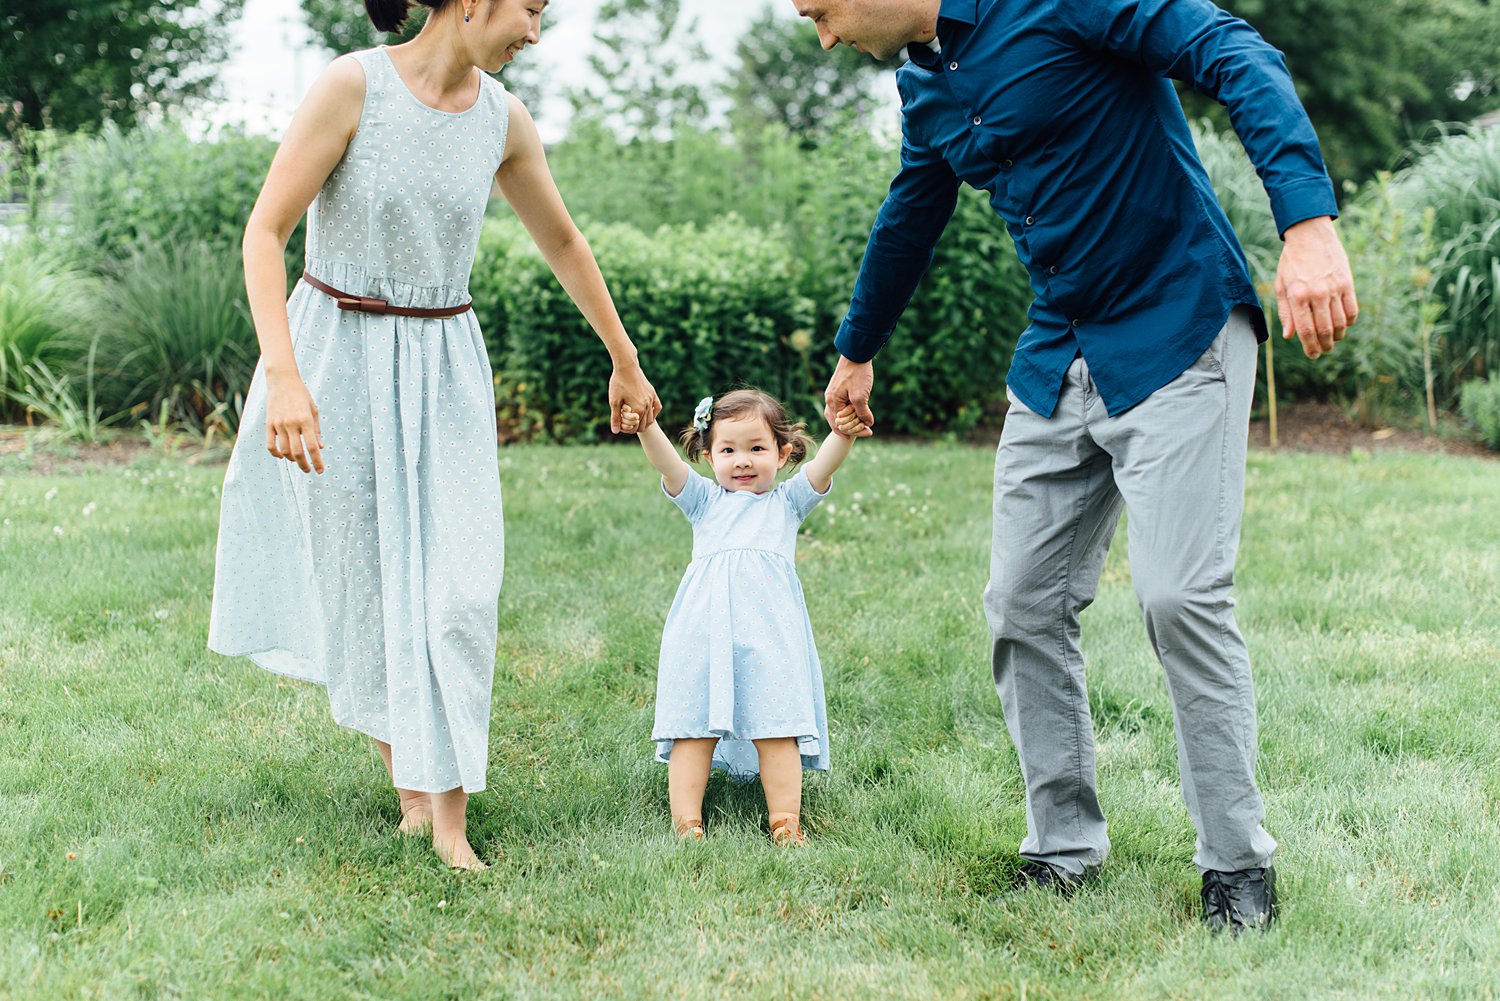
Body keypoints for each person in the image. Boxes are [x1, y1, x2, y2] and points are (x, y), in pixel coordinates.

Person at [793, 0, 1358, 930]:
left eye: (821, 11)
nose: (824, 36)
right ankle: (1063, 850)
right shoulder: (924, 81)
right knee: (1021, 604)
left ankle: (1236, 868)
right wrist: (857, 348)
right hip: (1061, 352)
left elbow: (1229, 48)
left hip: (1178, 330)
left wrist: (1308, 222)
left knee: (1179, 596)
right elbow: (913, 209)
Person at [208, 0, 660, 871]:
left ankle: (448, 817)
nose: (535, 31)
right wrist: (286, 379)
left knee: (458, 585)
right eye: (529, 9)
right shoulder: (353, 87)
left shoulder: (502, 118)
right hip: (333, 355)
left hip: (445, 361)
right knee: (365, 582)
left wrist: (625, 358)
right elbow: (264, 233)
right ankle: (419, 790)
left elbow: (562, 239)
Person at [617, 391, 867, 844]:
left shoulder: (786, 504)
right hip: (704, 636)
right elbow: (667, 464)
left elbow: (824, 467)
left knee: (778, 728)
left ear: (782, 453)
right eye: (728, 451)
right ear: (709, 456)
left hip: (770, 639)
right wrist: (645, 427)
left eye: (757, 448)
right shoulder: (703, 502)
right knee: (693, 729)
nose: (742, 461)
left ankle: (785, 820)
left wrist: (841, 432)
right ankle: (687, 822)